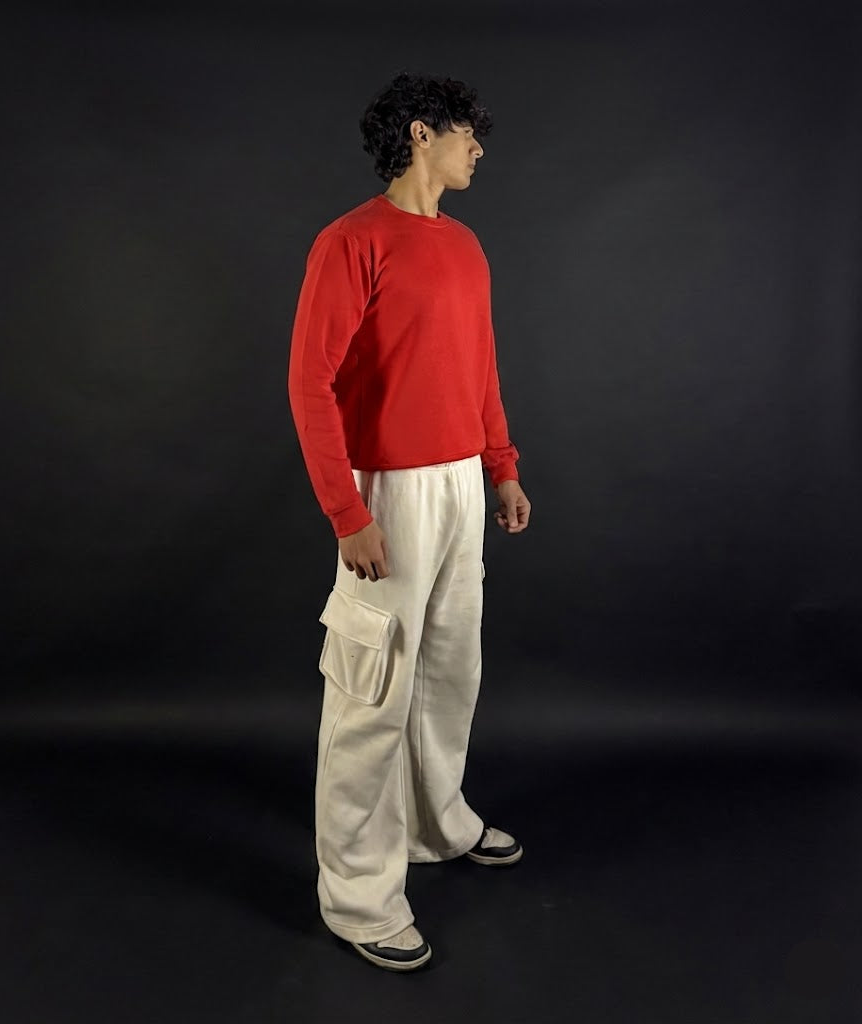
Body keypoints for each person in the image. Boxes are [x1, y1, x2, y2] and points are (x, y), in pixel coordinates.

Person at [287, 69, 531, 972]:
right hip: (386, 490)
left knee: (449, 668)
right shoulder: (350, 241)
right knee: (372, 688)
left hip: (460, 483)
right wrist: (345, 511)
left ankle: (437, 822)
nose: (479, 150)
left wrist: (500, 467)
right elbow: (309, 383)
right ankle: (357, 896)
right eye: (468, 134)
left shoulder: (465, 246)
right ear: (421, 133)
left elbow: (480, 368)